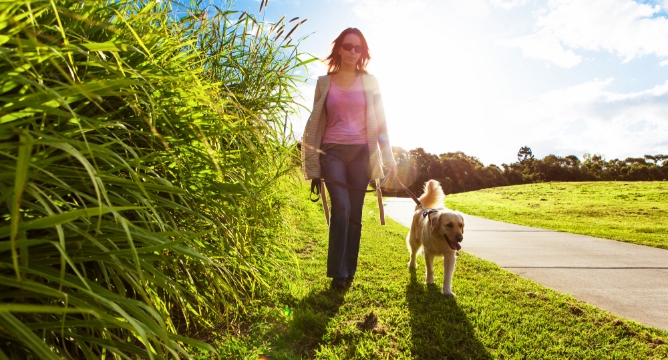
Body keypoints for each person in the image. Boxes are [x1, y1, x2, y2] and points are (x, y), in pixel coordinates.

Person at [301, 28, 397, 289]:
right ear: (339, 49)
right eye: (348, 46)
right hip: (331, 151)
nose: (353, 52)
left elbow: (381, 122)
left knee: (354, 213)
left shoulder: (370, 82)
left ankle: (348, 270)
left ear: (362, 52)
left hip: (361, 154)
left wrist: (388, 156)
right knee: (341, 206)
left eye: (358, 48)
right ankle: (337, 274)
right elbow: (316, 121)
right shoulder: (324, 82)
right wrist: (313, 160)